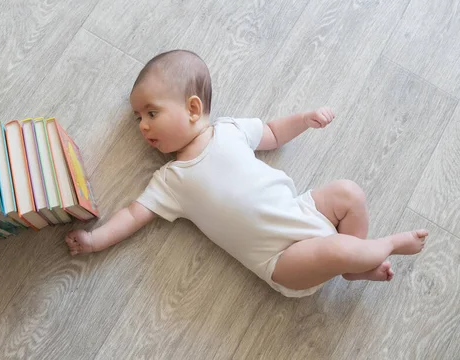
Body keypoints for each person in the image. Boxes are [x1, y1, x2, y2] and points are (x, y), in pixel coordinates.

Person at [65, 50, 428, 298]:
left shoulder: (230, 130)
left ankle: (355, 265)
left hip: (303, 212)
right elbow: (133, 214)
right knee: (335, 248)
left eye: (150, 113)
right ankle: (385, 247)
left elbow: (270, 133)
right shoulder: (171, 180)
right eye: (137, 118)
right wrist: (96, 242)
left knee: (348, 193)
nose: (142, 126)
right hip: (282, 260)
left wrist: (303, 120)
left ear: (193, 108)